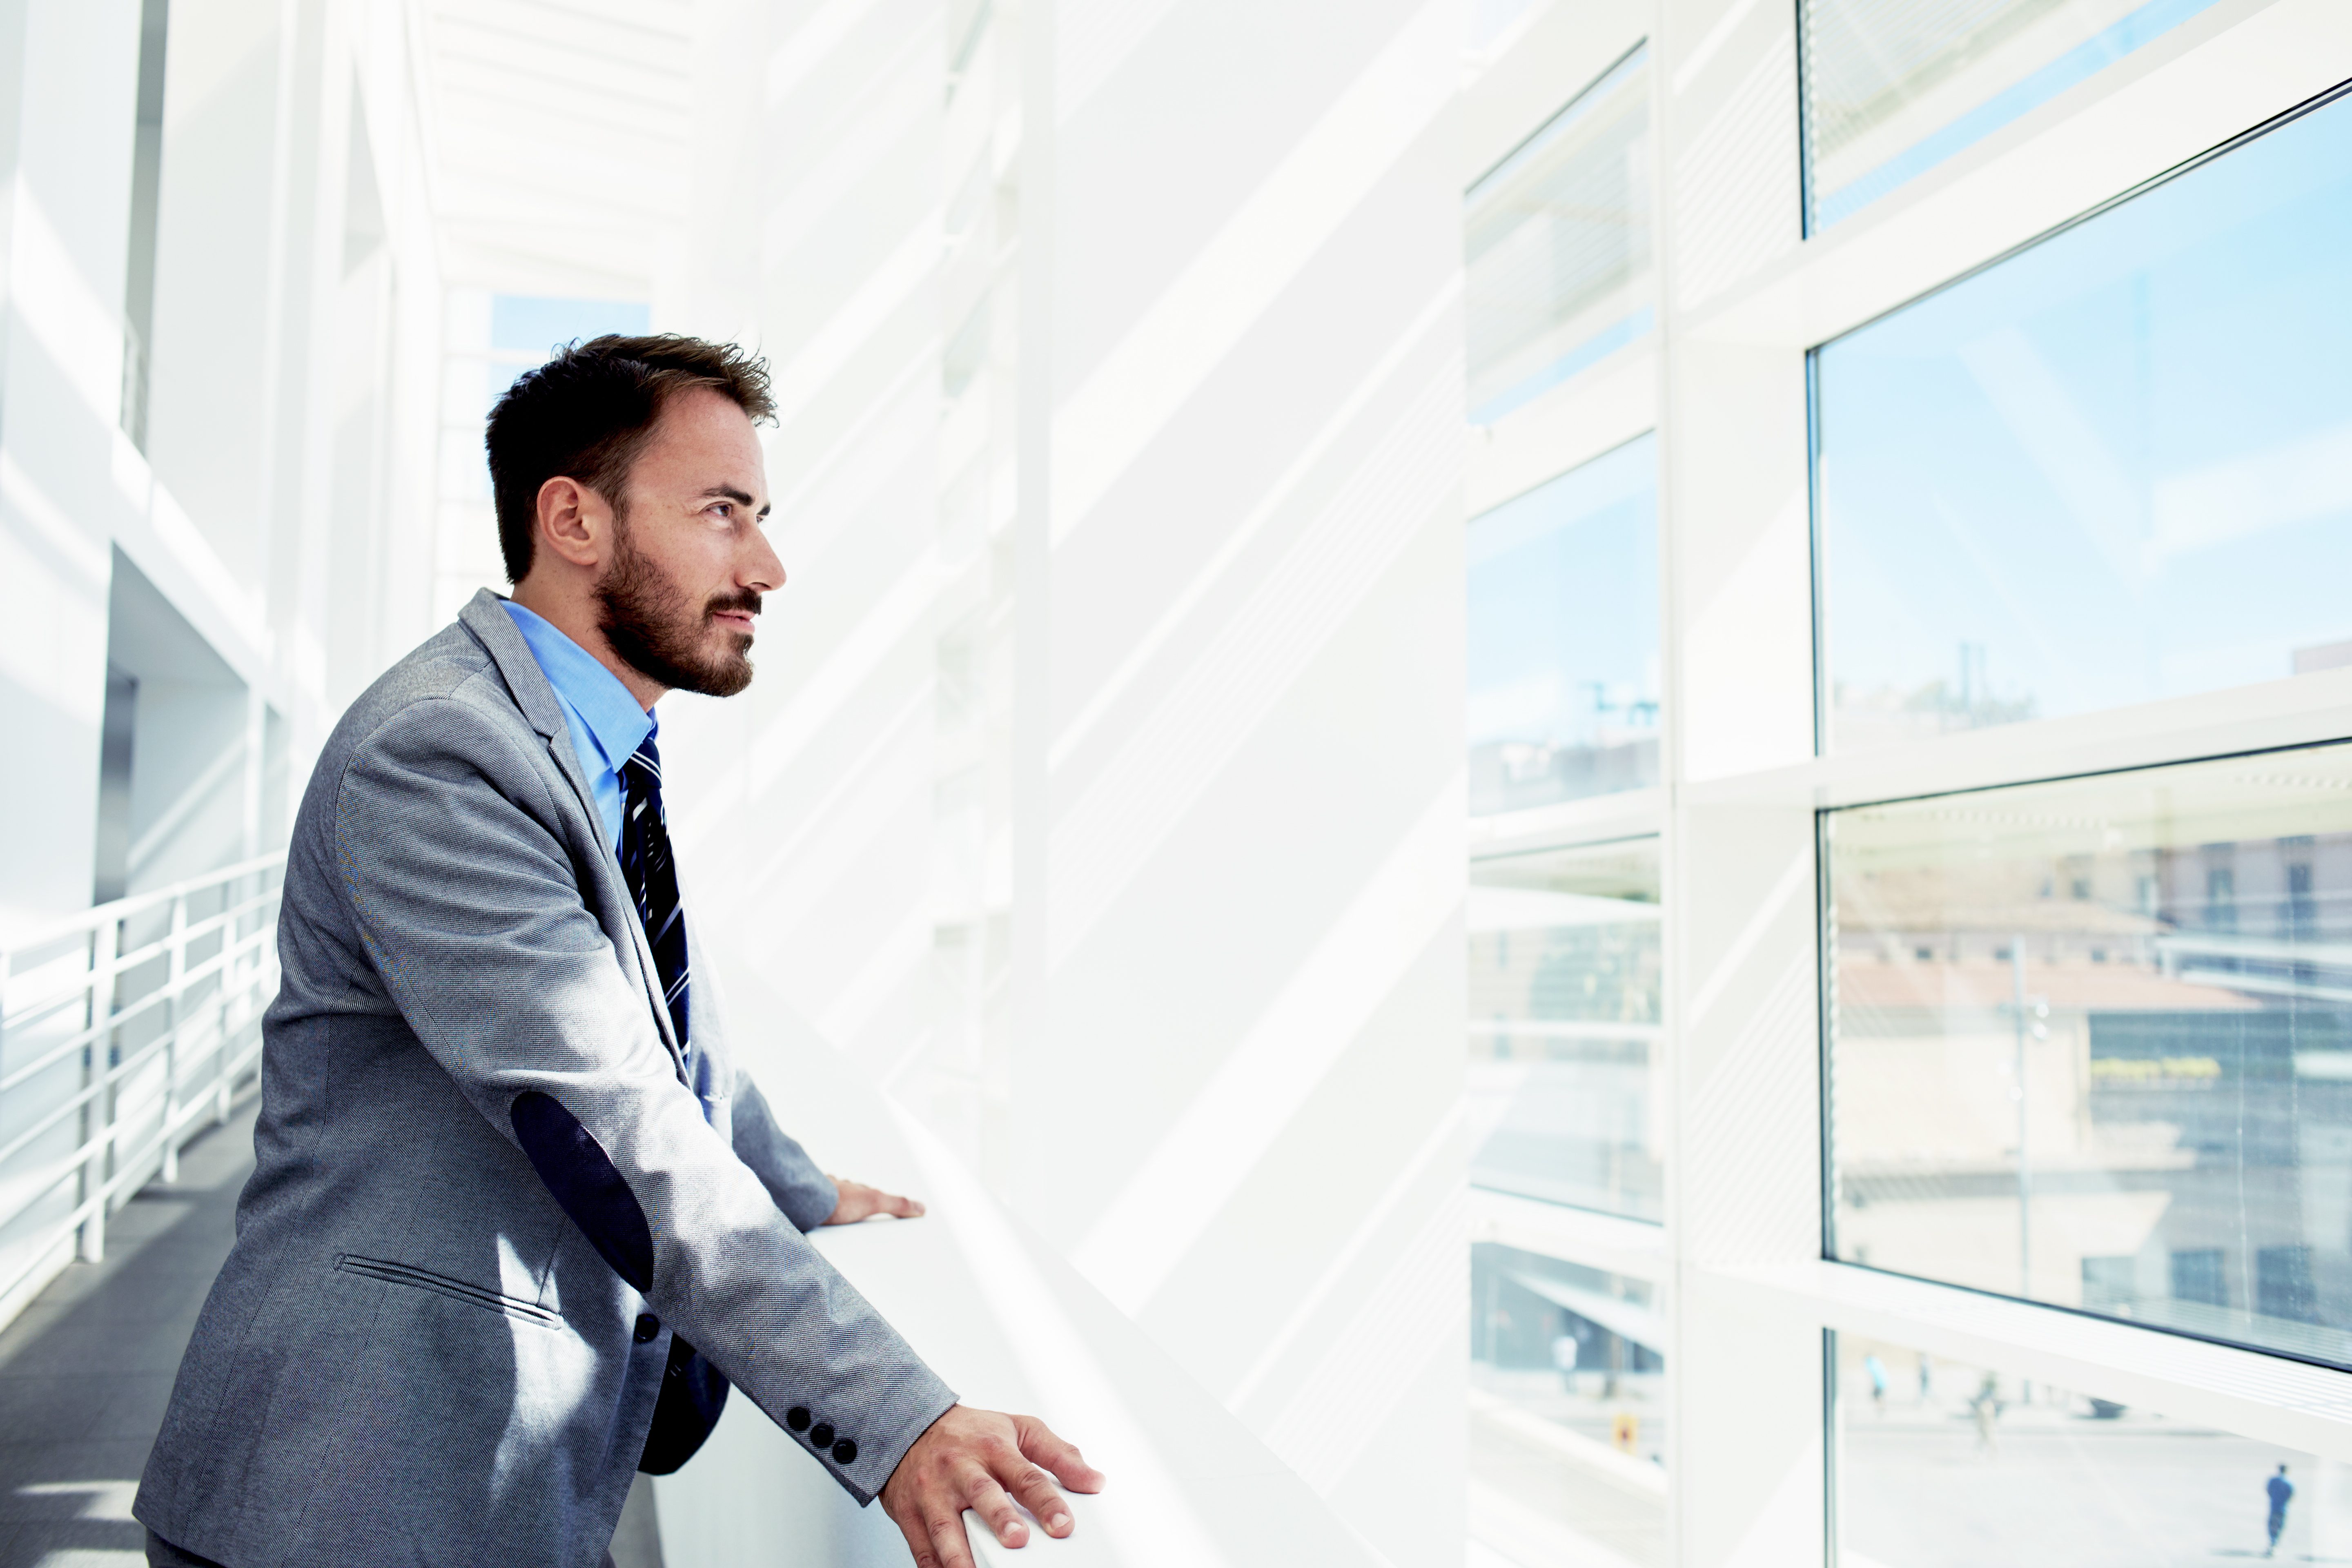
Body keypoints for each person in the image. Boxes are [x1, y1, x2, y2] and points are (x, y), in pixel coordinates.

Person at [133, 336, 1102, 1568]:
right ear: (574, 520)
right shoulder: (438, 752)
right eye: (722, 512)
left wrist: (801, 1182)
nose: (768, 564)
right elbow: (608, 1115)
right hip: (350, 1484)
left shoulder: (591, 753)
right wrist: (896, 1416)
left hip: (495, 1484)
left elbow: (662, 1027)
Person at [2267, 1463, 2294, 1557]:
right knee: (2280, 1526)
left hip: (2274, 1506)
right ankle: (2276, 1544)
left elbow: (2269, 1491)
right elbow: (2291, 1495)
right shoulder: (2289, 1482)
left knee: (2272, 1525)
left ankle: (2273, 1543)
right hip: (2283, 1508)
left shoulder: (2273, 1481)